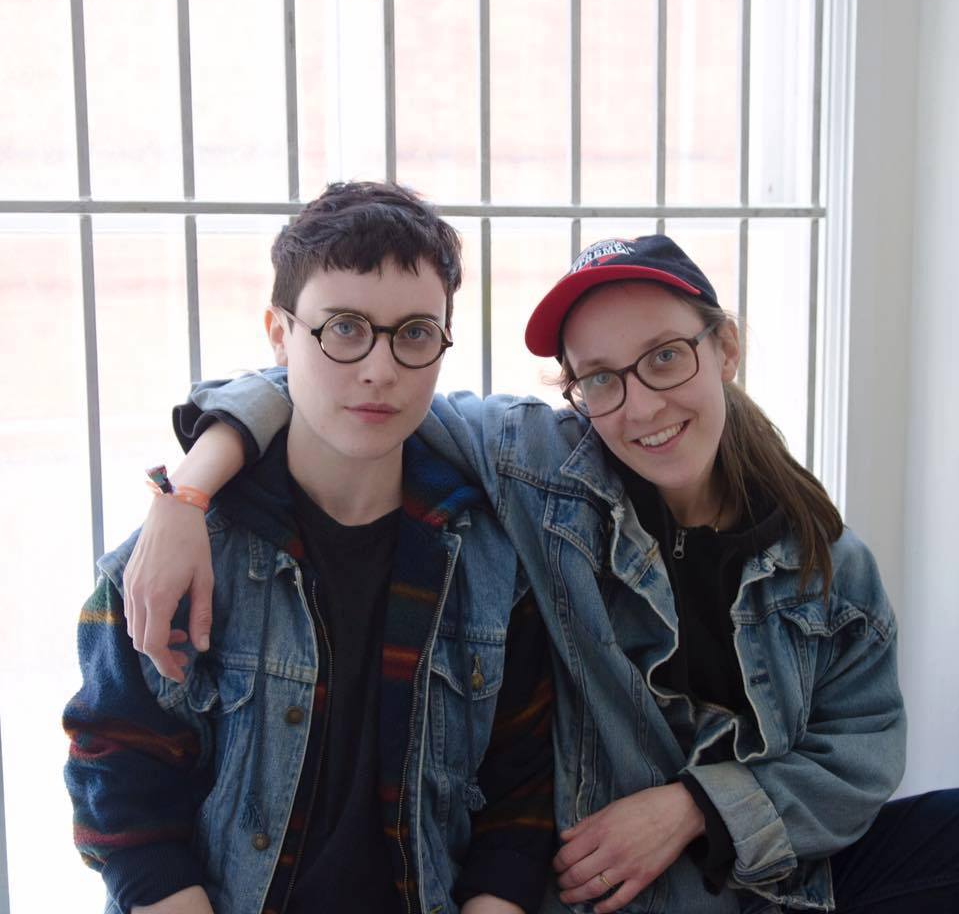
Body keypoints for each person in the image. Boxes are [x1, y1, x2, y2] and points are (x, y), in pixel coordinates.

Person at [121, 233, 959, 913]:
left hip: (780, 878)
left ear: (725, 347)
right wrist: (186, 497)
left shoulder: (827, 563)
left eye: (665, 357)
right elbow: (330, 385)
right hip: (609, 892)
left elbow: (860, 757)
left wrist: (694, 807)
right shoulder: (539, 468)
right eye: (599, 379)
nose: (640, 406)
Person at [63, 181, 555, 914]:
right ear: (278, 333)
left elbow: (522, 801)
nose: (380, 369)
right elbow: (120, 778)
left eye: (414, 333)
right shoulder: (181, 553)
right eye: (344, 329)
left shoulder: (492, 563)